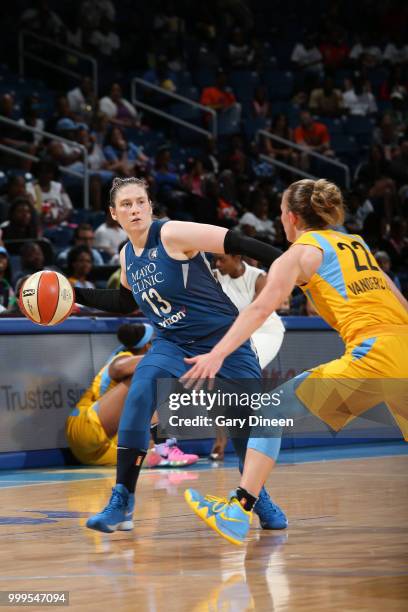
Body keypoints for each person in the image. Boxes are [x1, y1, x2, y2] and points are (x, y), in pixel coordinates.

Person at [182, 178, 408, 545]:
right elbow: (400, 303)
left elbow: (259, 308)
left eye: (280, 213)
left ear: (290, 217)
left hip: (374, 353)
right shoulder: (358, 244)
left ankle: (239, 509)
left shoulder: (299, 253)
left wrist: (218, 352)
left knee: (269, 412)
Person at [73, 176, 289, 533]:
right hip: (172, 342)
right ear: (114, 214)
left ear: (150, 204)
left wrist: (287, 264)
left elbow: (235, 241)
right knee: (141, 390)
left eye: (140, 201)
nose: (135, 209)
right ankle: (122, 499)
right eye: (126, 204)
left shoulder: (171, 233)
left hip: (223, 340)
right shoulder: (127, 256)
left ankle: (257, 494)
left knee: (242, 426)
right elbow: (125, 302)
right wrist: (74, 294)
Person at [66, 322, 198, 467]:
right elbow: (118, 368)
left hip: (94, 449)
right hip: (84, 425)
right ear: (148, 345)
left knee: (146, 458)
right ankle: (164, 445)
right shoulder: (122, 357)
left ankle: (162, 452)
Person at [209, 253, 285, 459]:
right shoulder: (214, 276)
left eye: (221, 260)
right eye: (214, 260)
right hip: (234, 334)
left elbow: (257, 315)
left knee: (239, 375)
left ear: (237, 257)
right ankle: (221, 441)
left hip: (263, 331)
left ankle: (258, 439)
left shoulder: (259, 278)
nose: (217, 264)